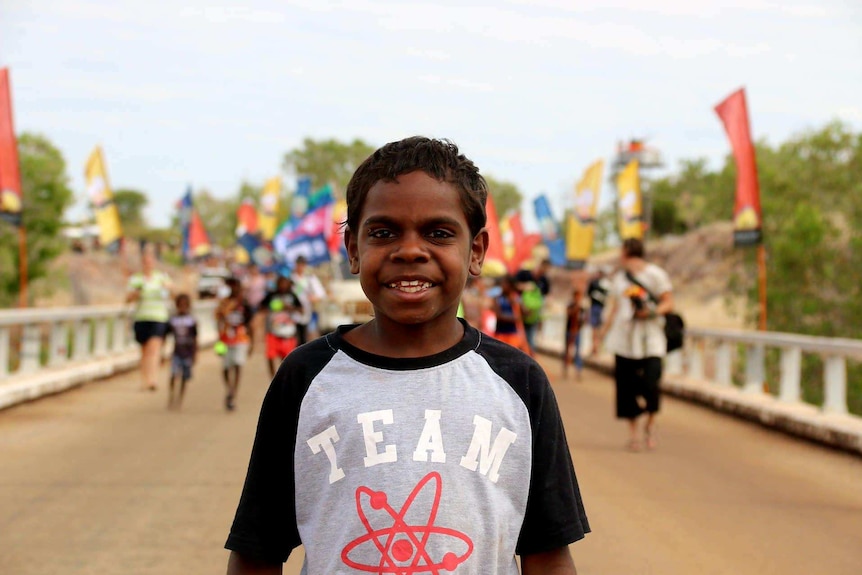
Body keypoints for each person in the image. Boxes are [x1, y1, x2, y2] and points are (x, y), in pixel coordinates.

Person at [225, 136, 589, 575]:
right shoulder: (306, 378)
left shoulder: (518, 380)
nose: (410, 250)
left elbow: (547, 554)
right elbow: (257, 550)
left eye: (438, 233)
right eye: (383, 233)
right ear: (354, 250)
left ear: (475, 251)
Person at [598, 238, 674, 452]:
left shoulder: (656, 275)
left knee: (652, 386)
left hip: (651, 340)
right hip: (624, 341)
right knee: (627, 391)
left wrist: (650, 313)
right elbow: (614, 310)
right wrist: (601, 336)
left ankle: (649, 425)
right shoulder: (620, 280)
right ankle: (634, 436)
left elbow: (669, 302)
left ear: (627, 253)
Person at [126, 244, 173, 392]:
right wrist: (136, 293)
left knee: (154, 349)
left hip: (158, 317)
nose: (148, 263)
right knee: (144, 351)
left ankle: (153, 379)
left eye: (150, 260)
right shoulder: (136, 279)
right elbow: (128, 299)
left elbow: (174, 294)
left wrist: (169, 288)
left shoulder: (161, 277)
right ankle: (144, 379)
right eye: (145, 261)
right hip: (141, 317)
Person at [216, 277, 254, 411]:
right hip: (226, 338)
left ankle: (233, 393)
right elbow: (218, 319)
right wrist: (218, 338)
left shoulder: (244, 304)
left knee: (238, 364)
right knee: (226, 366)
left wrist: (252, 342)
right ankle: (229, 388)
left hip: (241, 338)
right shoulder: (224, 303)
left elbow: (249, 323)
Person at [258, 275, 304, 377]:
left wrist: (290, 308)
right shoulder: (272, 295)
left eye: (285, 283)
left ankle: (283, 376)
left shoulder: (292, 296)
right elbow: (261, 307)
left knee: (287, 359)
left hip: (288, 332)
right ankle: (273, 377)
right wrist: (271, 309)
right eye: (281, 283)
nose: (283, 286)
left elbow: (301, 309)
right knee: (270, 356)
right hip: (273, 331)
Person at [165, 293, 197, 410]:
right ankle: (171, 396)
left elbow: (195, 338)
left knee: (184, 377)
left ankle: (180, 399)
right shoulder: (173, 320)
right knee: (173, 374)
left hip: (187, 353)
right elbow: (166, 335)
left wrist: (194, 354)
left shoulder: (191, 320)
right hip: (176, 352)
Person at [515, 259, 551, 353]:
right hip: (519, 312)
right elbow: (513, 285)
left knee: (530, 338)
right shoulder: (525, 274)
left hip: (533, 315)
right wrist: (524, 286)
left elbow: (544, 297)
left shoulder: (544, 280)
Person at [290, 255, 326, 345]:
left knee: (307, 337)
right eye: (299, 264)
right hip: (292, 311)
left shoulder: (310, 278)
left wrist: (313, 298)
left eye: (303, 264)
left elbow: (321, 293)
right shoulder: (291, 278)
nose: (301, 267)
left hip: (307, 311)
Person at [492, 274, 530, 355]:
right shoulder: (498, 298)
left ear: (510, 285)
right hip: (500, 334)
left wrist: (518, 304)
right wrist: (516, 318)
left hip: (513, 335)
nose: (502, 286)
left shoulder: (516, 298)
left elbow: (526, 313)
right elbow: (499, 315)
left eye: (505, 284)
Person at [587, 268, 610, 356]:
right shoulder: (595, 283)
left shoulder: (604, 284)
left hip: (600, 308)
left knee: (597, 328)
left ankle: (596, 347)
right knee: (595, 328)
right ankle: (595, 347)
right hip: (596, 307)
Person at [563, 287, 585, 381]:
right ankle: (566, 369)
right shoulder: (571, 306)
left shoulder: (582, 309)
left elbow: (583, 320)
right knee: (567, 351)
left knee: (577, 351)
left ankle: (578, 371)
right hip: (569, 331)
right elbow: (568, 314)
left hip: (577, 332)